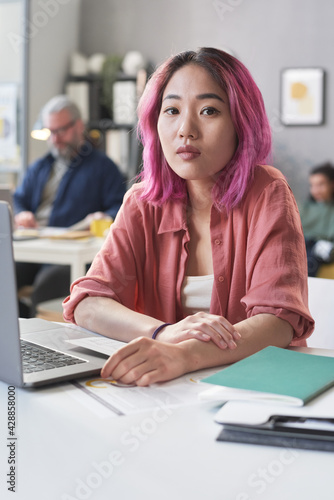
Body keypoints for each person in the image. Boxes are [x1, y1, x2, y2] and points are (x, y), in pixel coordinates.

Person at [63, 47, 314, 386]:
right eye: (172, 110)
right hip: (163, 389)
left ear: (241, 123)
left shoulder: (268, 192)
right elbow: (88, 303)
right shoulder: (141, 201)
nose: (186, 129)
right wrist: (162, 333)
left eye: (209, 110)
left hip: (255, 388)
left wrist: (184, 355)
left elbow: (278, 321)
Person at [14, 95, 126, 317]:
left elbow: (120, 209)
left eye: (60, 131)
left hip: (73, 255)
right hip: (37, 247)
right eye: (50, 132)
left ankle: (35, 342)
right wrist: (22, 213)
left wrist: (103, 216)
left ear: (79, 126)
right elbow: (19, 199)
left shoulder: (104, 168)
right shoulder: (41, 166)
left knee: (46, 286)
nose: (55, 139)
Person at [298, 162, 334, 277]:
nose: (315, 190)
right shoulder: (304, 208)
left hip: (323, 250)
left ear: (332, 184)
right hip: (303, 245)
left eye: (321, 184)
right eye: (312, 185)